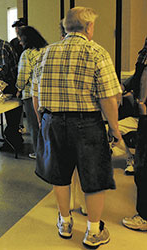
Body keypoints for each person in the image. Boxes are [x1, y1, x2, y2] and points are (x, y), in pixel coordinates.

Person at [31, 7, 122, 248]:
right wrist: (114, 129)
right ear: (89, 27)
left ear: (65, 27)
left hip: (52, 120)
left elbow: (35, 94)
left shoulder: (46, 53)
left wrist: (43, 121)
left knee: (60, 175)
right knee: (93, 177)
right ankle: (93, 231)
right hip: (86, 123)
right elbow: (108, 98)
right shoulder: (97, 52)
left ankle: (65, 221)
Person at [122, 38, 147, 231]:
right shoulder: (144, 54)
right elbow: (137, 77)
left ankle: (145, 217)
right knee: (141, 166)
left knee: (143, 166)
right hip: (143, 116)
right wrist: (121, 87)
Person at [15, 26, 48, 159]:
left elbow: (23, 76)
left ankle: (38, 152)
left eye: (20, 39)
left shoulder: (27, 54)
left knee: (34, 125)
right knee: (46, 124)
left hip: (31, 94)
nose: (20, 42)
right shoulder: (47, 50)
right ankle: (49, 151)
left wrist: (18, 88)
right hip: (47, 93)